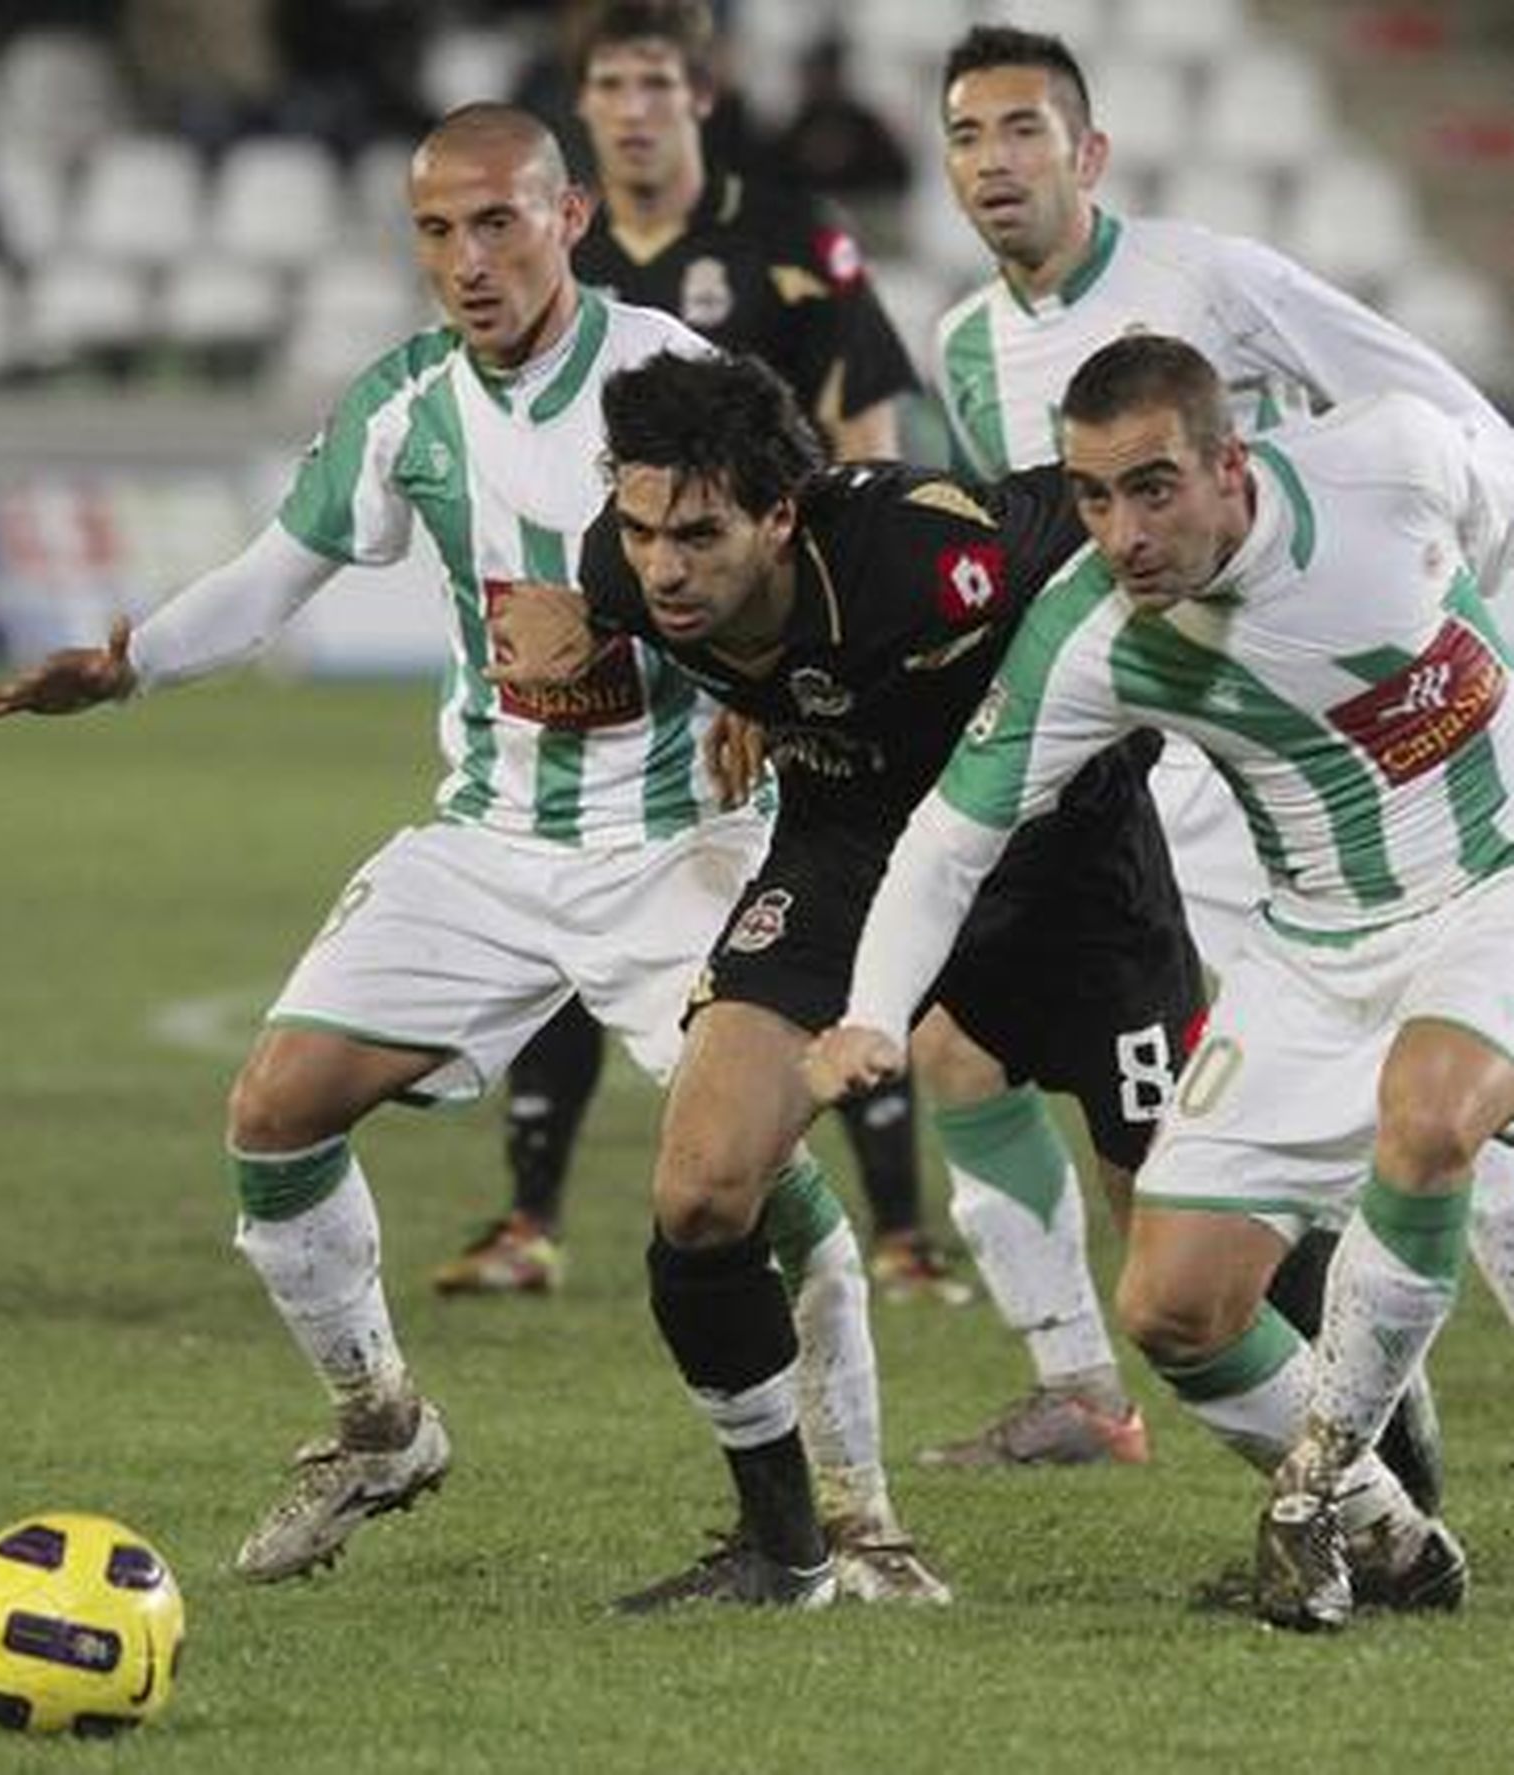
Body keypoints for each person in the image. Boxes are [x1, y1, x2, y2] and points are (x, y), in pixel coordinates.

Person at [0, 105, 938, 1604]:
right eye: (436, 231)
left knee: (752, 1172)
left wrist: (765, 685)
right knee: (275, 1111)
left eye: (497, 223)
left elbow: (791, 540)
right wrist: (129, 664)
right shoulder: (405, 403)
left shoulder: (662, 380)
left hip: (673, 840)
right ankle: (380, 1419)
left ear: (565, 219)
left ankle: (857, 1515)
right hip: (487, 841)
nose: (468, 261)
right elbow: (272, 572)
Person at [810, 332, 1514, 1629]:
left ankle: (1309, 1483)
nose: (1122, 531)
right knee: (1175, 1302)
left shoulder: (1388, 457)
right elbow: (951, 836)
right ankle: (1392, 1534)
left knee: (1428, 1114)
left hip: (1496, 882)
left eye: (1152, 487)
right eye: (1090, 494)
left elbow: (1491, 492)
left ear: (1229, 463)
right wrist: (868, 1008)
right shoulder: (1090, 636)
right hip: (1312, 944)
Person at [486, 348, 1204, 1606]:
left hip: (1061, 859)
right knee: (704, 1185)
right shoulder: (628, 568)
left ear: (782, 513)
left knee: (1197, 1258)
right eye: (641, 528)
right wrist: (586, 646)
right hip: (845, 852)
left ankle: (1375, 1502)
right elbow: (604, 616)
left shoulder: (928, 552)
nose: (660, 565)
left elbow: (1090, 520)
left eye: (698, 535)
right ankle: (784, 1548)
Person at [912, 20, 1514, 1480]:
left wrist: (1452, 614)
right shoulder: (965, 342)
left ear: (1088, 150)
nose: (995, 164)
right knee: (1234, 1147)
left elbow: (1443, 413)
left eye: (1023, 132)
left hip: (1339, 769)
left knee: (1455, 1131)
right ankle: (1370, 1468)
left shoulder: (1208, 278)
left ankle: (1355, 1458)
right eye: (969, 138)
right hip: (1167, 782)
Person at [436, 0, 960, 1305]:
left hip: (776, 623)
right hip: (635, 626)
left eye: (654, 83)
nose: (631, 108)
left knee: (819, 903)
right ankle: (529, 1213)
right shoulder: (563, 245)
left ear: (701, 95)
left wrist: (781, 643)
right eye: (608, 86)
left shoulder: (789, 235)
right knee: (559, 871)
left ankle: (896, 1226)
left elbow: (863, 435)